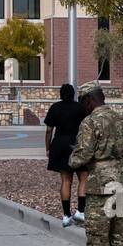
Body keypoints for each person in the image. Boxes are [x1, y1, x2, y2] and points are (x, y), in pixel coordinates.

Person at [68, 80, 123, 246]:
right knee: (119, 234)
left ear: (89, 100)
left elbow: (83, 155)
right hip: (121, 182)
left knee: (98, 236)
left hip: (100, 185)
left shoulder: (90, 122)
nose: (83, 106)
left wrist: (72, 158)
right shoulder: (122, 120)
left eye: (83, 102)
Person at [44, 83, 89, 226]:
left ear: (60, 94)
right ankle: (81, 211)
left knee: (66, 180)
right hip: (77, 143)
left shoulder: (55, 107)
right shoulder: (80, 108)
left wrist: (48, 147)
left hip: (60, 143)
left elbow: (49, 130)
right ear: (73, 94)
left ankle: (66, 215)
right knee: (83, 177)